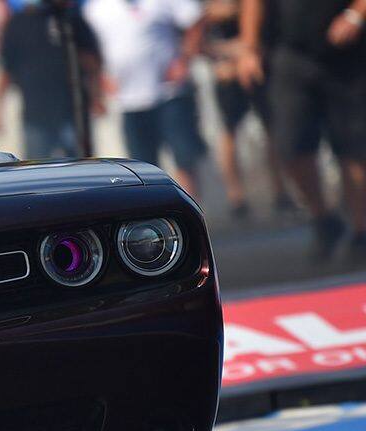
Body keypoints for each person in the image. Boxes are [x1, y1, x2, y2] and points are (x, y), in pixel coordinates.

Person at [239, 0, 366, 259]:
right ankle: (324, 219)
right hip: (291, 54)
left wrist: (356, 14)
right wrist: (249, 49)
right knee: (290, 144)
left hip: (349, 53)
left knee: (353, 147)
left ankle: (361, 229)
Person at [84, 0, 208, 197]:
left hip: (169, 95)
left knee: (184, 161)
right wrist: (99, 80)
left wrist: (184, 59)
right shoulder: (95, 9)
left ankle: (191, 218)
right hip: (129, 102)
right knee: (142, 172)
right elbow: (89, 48)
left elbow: (196, 18)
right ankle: (156, 224)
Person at [203, 0, 288, 220]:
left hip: (259, 61)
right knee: (229, 132)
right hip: (228, 67)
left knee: (272, 128)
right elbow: (200, 23)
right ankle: (236, 197)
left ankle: (281, 191)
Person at [0, 0, 102, 159]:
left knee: (81, 168)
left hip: (72, 113)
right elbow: (6, 70)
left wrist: (96, 97)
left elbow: (92, 61)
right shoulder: (18, 23)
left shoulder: (71, 20)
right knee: (39, 170)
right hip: (36, 115)